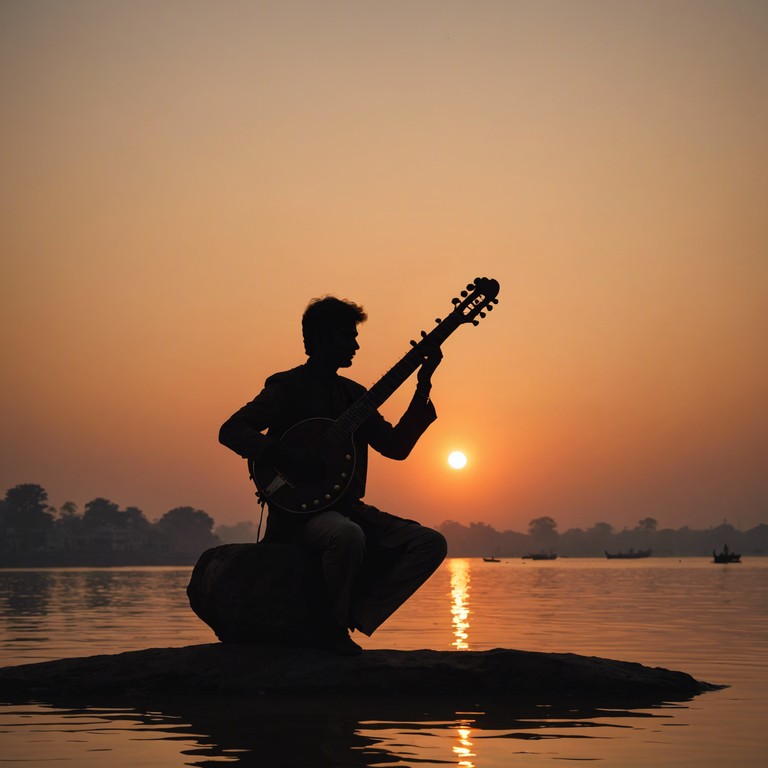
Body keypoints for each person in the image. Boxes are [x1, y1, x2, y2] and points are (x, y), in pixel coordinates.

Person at [219, 296, 447, 655]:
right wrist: (286, 456)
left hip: (347, 507)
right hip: (297, 517)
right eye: (346, 337)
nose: (355, 344)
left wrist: (424, 383)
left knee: (430, 543)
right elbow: (232, 430)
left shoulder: (355, 396)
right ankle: (333, 632)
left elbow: (396, 447)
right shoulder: (287, 387)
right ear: (318, 340)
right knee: (346, 535)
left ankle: (357, 616)